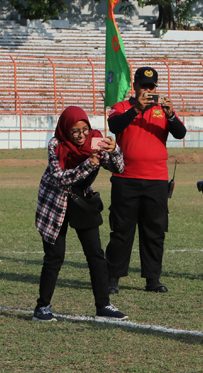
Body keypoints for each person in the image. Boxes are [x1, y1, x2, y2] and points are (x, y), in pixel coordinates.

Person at [34, 106, 127, 322]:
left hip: (82, 201)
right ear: (66, 129)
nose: (81, 135)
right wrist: (89, 164)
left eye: (85, 129)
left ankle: (103, 305)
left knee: (95, 255)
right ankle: (42, 308)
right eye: (75, 131)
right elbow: (60, 178)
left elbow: (119, 168)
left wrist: (114, 151)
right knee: (54, 257)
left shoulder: (96, 141)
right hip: (55, 202)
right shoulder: (56, 144)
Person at [105, 66, 186, 294]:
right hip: (125, 178)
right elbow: (114, 126)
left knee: (155, 231)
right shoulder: (122, 107)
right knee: (121, 231)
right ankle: (112, 279)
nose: (147, 91)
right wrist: (136, 110)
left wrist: (170, 115)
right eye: (143, 86)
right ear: (135, 86)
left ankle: (153, 279)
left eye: (151, 87)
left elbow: (180, 133)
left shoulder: (163, 109)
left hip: (157, 180)